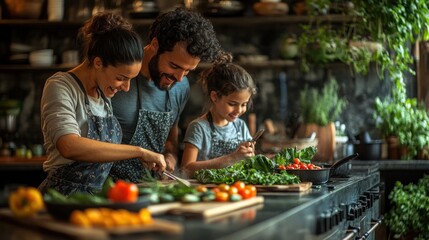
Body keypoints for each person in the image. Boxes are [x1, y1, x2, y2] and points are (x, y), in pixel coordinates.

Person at [38, 12, 166, 196]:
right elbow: (69, 145)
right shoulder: (60, 85)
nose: (126, 87)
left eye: (130, 79)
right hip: (62, 198)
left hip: (95, 199)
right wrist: (139, 151)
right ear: (98, 62)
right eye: (121, 78)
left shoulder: (104, 94)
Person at [110, 8, 222, 182]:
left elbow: (170, 140)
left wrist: (170, 156)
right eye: (174, 66)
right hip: (109, 191)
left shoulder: (180, 86)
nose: (179, 78)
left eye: (187, 71)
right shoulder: (116, 79)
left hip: (151, 189)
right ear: (155, 45)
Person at [180, 52, 257, 178]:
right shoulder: (199, 128)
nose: (239, 110)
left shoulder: (241, 126)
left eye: (244, 104)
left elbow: (248, 163)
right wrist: (232, 158)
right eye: (232, 104)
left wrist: (248, 154)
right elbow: (186, 169)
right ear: (215, 97)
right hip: (205, 191)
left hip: (237, 189)